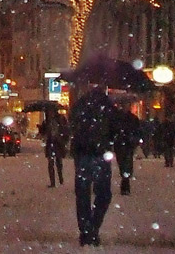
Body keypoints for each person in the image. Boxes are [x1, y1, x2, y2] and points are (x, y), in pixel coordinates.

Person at [69, 84, 120, 247]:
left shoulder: (80, 104)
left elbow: (72, 125)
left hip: (83, 153)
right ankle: (93, 228)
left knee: (83, 193)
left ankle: (85, 231)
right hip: (100, 154)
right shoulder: (108, 106)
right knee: (103, 194)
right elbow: (116, 128)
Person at [113, 108, 142, 195]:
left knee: (124, 162)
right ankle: (125, 178)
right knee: (125, 162)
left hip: (123, 144)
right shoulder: (132, 118)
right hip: (127, 144)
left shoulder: (117, 118)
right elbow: (138, 131)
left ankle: (125, 182)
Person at [37, 109, 69, 188]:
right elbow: (43, 131)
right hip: (51, 143)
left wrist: (63, 139)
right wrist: (40, 128)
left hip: (58, 143)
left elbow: (66, 130)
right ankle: (53, 182)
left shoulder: (61, 119)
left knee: (58, 161)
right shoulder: (47, 121)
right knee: (51, 162)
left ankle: (60, 178)